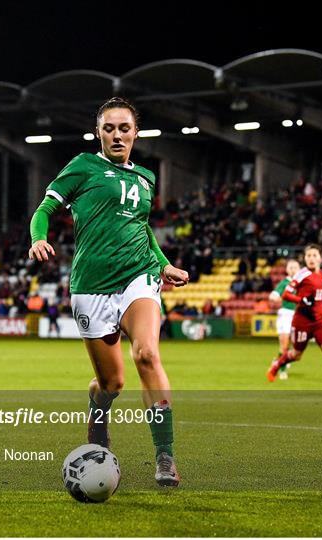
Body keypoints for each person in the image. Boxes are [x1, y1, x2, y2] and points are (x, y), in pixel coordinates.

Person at [28, 97, 189, 486]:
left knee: (147, 354)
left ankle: (164, 456)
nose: (117, 135)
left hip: (139, 275)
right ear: (98, 132)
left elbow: (142, 229)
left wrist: (163, 264)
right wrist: (38, 237)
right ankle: (97, 413)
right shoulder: (82, 167)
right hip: (91, 284)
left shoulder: (147, 178)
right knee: (111, 383)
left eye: (124, 128)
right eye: (109, 128)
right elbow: (44, 210)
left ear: (136, 133)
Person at [266, 245, 322, 399]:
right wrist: (302, 300)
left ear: (320, 258)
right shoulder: (300, 275)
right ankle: (277, 364)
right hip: (302, 321)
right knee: (297, 354)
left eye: (314, 255)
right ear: (305, 259)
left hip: (320, 321)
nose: (311, 258)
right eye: (308, 256)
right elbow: (286, 294)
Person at [268, 259, 300, 380]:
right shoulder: (284, 283)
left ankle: (278, 361)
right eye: (290, 267)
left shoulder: (301, 283)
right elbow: (273, 295)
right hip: (285, 315)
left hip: (297, 316)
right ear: (287, 270)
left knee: (296, 345)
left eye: (295, 267)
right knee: (284, 345)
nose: (293, 269)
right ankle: (282, 370)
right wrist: (276, 298)